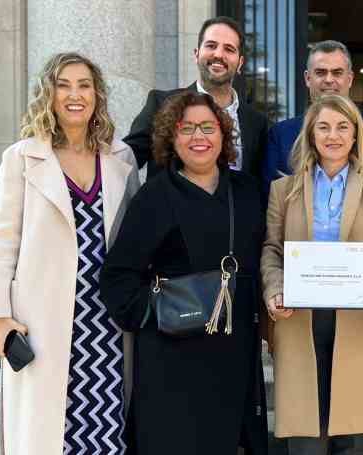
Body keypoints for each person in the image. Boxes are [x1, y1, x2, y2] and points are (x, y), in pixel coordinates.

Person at [0, 52, 140, 455]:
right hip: (42, 321)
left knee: (106, 432)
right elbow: (2, 244)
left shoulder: (120, 158)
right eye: (64, 84)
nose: (75, 94)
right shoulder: (21, 157)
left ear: (97, 95)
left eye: (84, 85)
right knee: (46, 436)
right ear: (48, 94)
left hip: (104, 323)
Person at [100, 91, 267, 454]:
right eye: (186, 128)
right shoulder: (154, 197)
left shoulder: (249, 192)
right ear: (171, 139)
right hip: (170, 362)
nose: (198, 137)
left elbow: (268, 258)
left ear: (223, 135)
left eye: (207, 127)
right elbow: (117, 276)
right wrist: (159, 309)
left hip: (233, 357)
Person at [261, 94, 363, 455]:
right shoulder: (283, 190)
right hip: (298, 320)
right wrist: (274, 291)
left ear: (356, 133)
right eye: (324, 127)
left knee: (350, 440)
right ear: (310, 134)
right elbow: (272, 251)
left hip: (358, 323)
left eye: (343, 126)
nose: (333, 135)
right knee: (306, 443)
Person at [124, 16, 267, 180]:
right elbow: (126, 160)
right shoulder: (161, 104)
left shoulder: (256, 122)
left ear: (240, 63)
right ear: (196, 54)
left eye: (229, 49)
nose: (219, 54)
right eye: (211, 45)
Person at [263, 40, 363, 195]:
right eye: (320, 72)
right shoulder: (280, 135)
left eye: (337, 73)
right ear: (308, 78)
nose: (328, 80)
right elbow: (271, 199)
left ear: (350, 79)